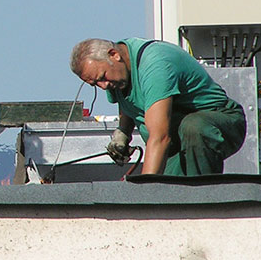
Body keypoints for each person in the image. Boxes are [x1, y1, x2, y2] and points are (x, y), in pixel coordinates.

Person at [70, 38, 246, 176]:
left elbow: (160, 137)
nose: (103, 86)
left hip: (218, 123)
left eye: (102, 77)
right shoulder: (117, 73)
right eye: (95, 84)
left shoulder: (155, 65)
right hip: (176, 140)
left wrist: (146, 200)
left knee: (193, 127)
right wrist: (123, 133)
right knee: (171, 197)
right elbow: (128, 100)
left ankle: (203, 204)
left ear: (114, 55)